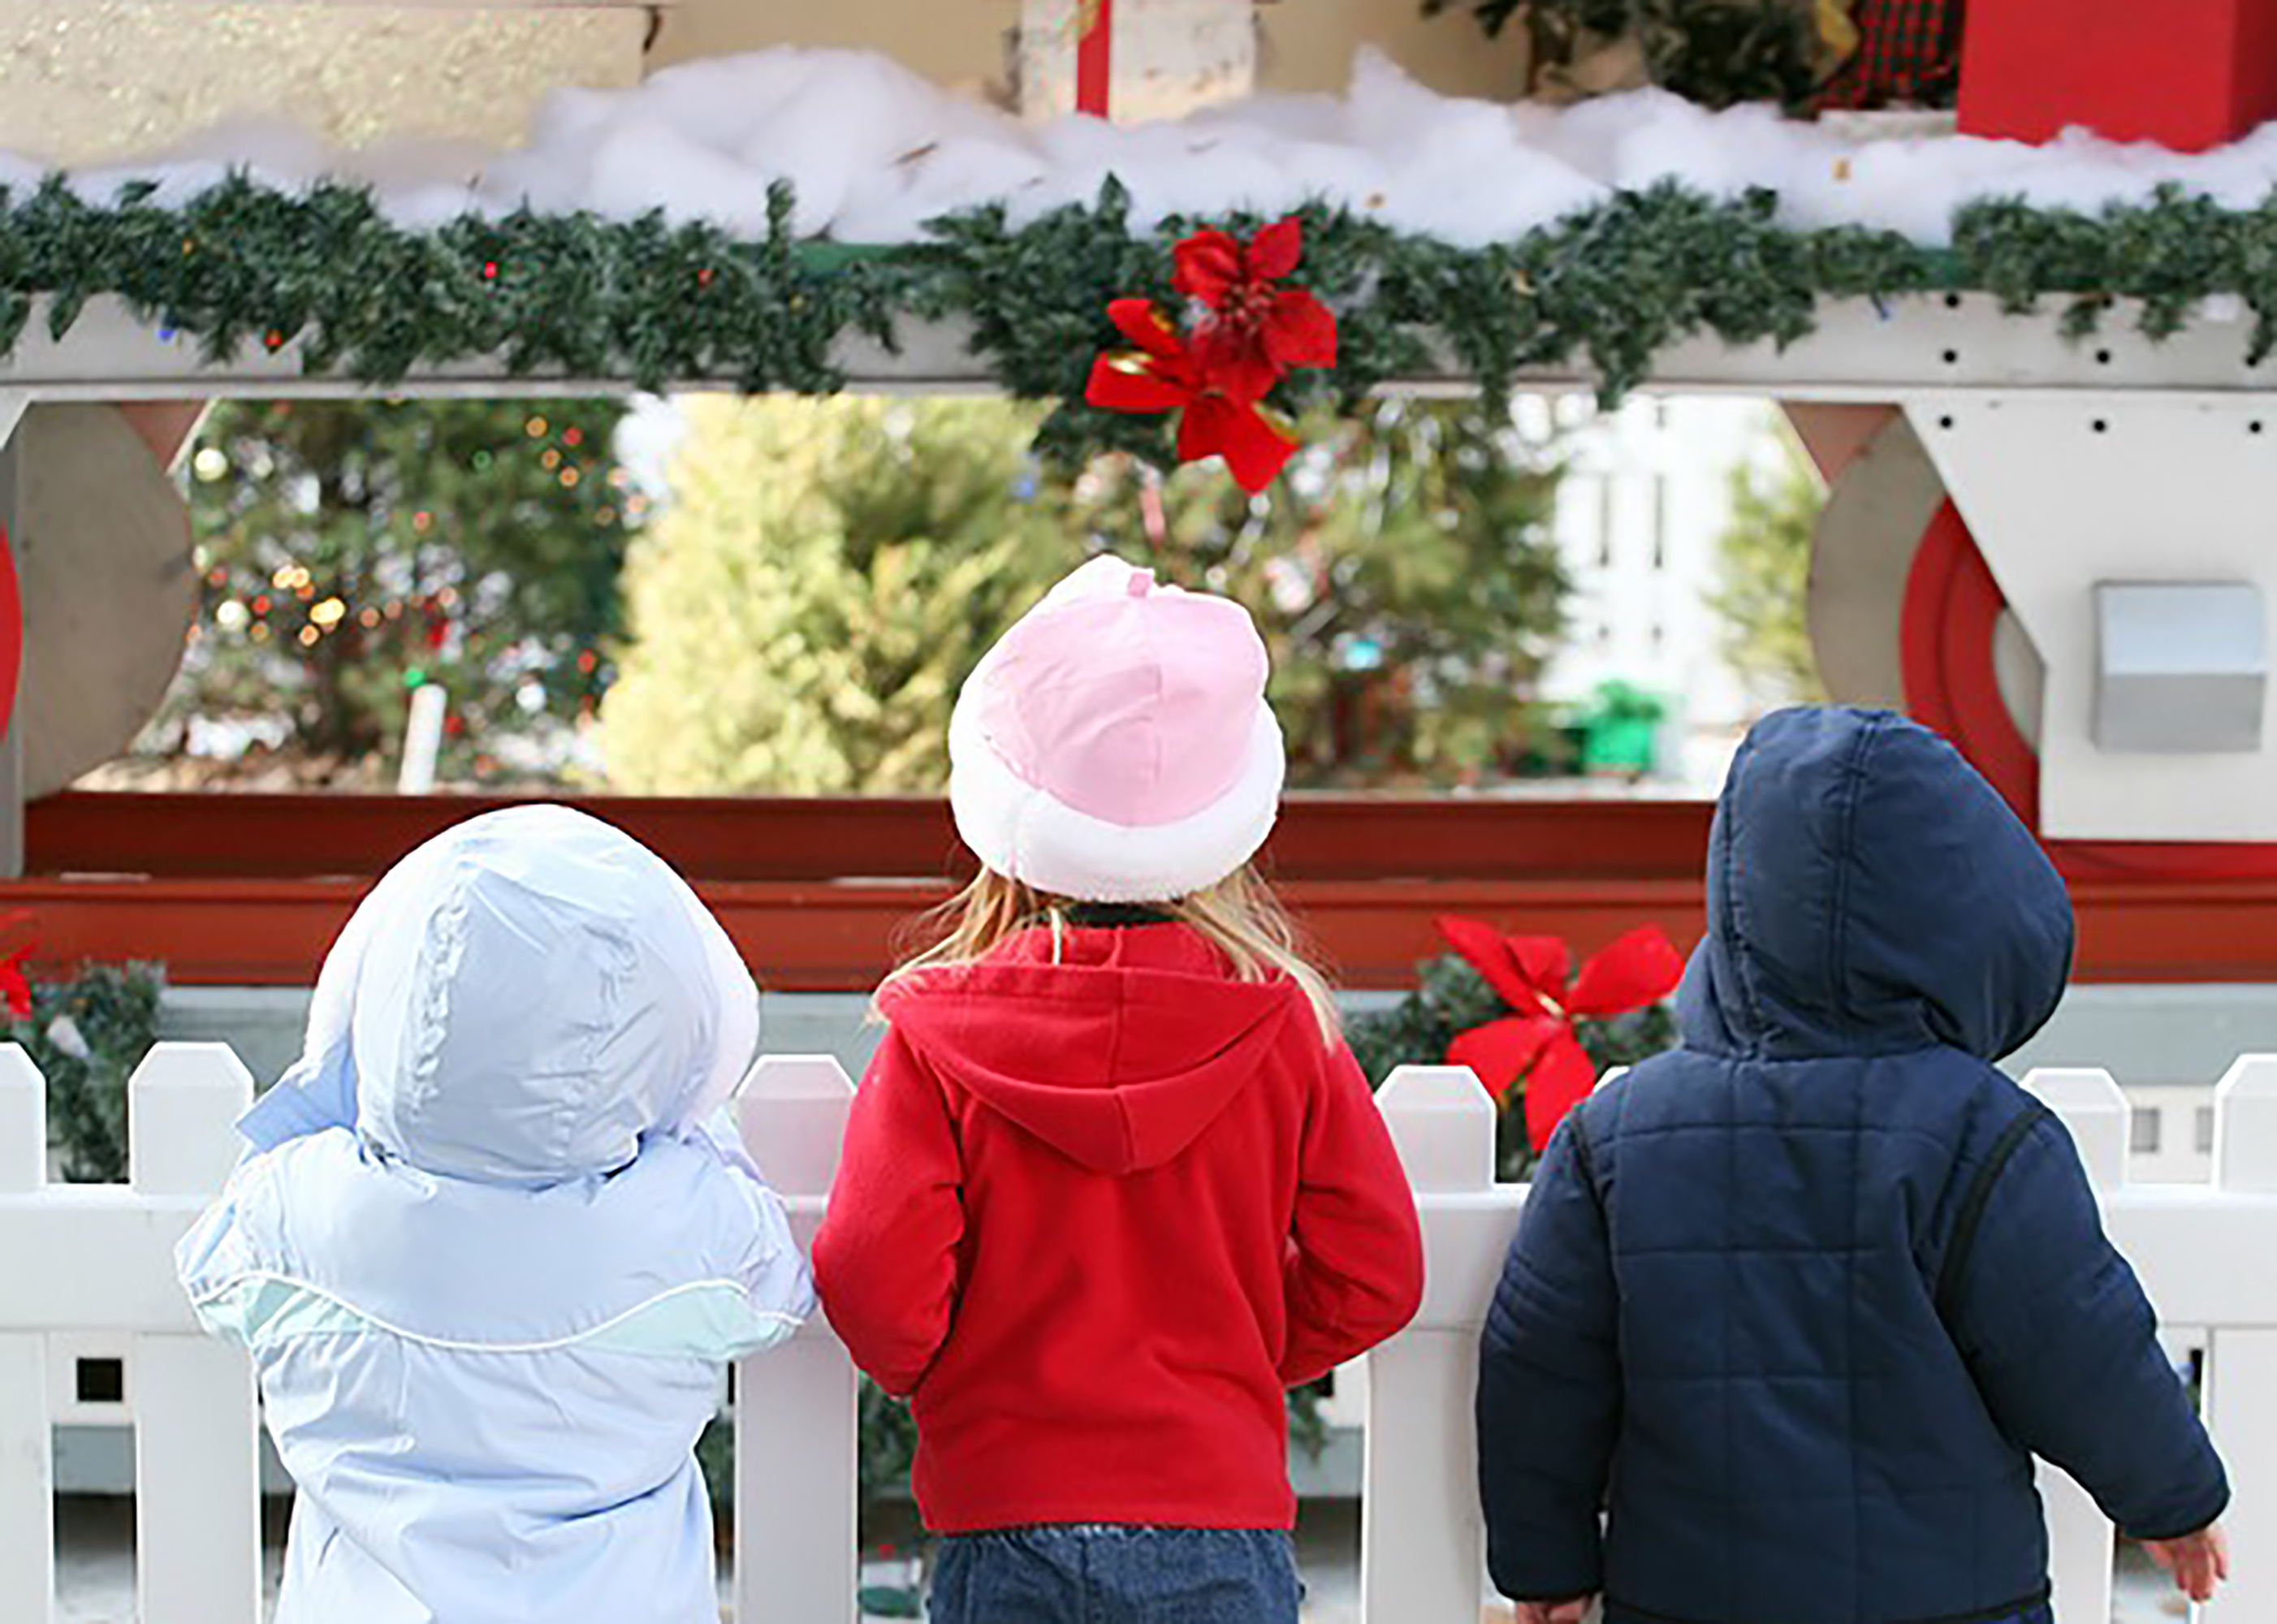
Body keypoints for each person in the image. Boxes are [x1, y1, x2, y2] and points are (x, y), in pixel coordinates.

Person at [1476, 706, 2231, 1624]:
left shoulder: (1618, 1131)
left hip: (1687, 1596)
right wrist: (2173, 1495)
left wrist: (1544, 1561)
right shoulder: (1979, 1132)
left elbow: (1540, 1363)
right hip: (1949, 1600)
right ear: (1971, 918)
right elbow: (2075, 1341)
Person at [813, 555, 1425, 1624]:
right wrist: (1235, 1355)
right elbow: (1375, 1271)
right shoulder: (1285, 1026)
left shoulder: (934, 1035)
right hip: (1221, 1517)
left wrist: (956, 1372)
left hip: (1003, 1512)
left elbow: (876, 1283)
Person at [176, 805, 814, 1623]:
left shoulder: (306, 1202)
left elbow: (212, 1272)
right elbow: (777, 1292)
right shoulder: (684, 1222)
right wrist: (692, 1129)